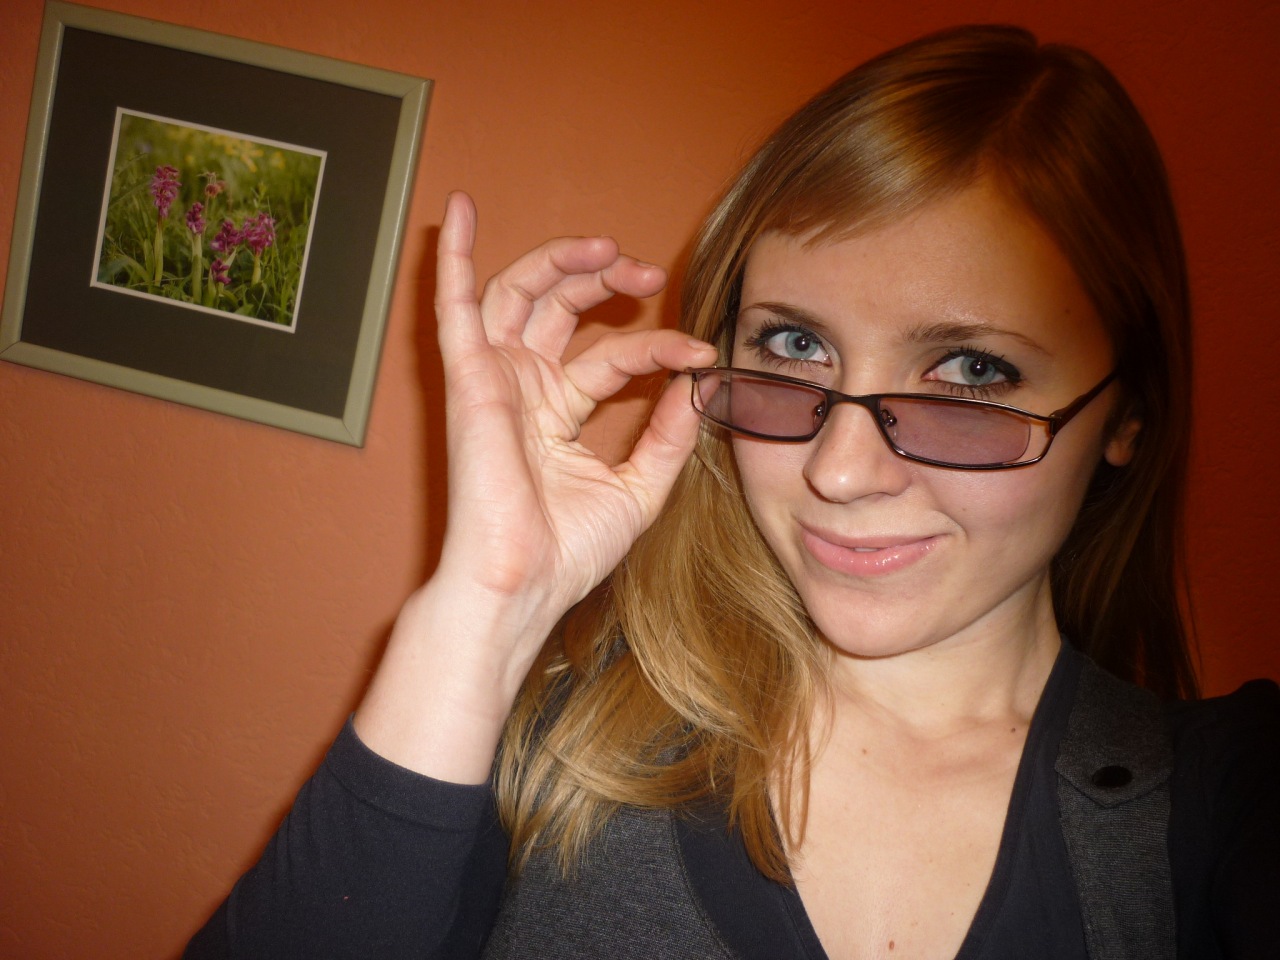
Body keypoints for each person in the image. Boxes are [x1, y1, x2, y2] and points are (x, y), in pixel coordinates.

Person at [185, 24, 1279, 960]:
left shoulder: (1222, 806)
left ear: (1126, 415)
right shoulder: (565, 746)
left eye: (970, 372)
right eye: (794, 345)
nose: (838, 471)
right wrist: (486, 607)